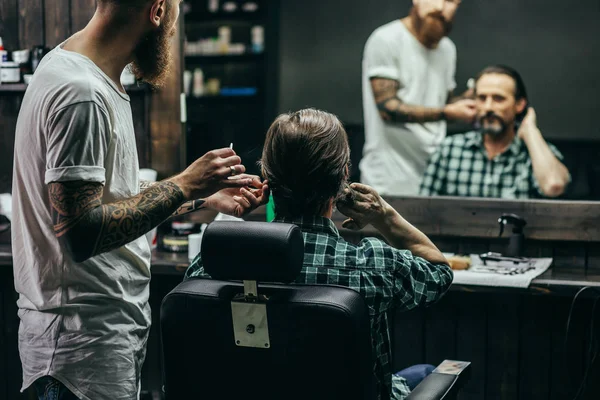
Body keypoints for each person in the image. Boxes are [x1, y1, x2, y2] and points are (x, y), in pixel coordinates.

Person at [11, 0, 268, 399]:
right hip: (77, 356)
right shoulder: (82, 94)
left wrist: (203, 197)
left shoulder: (81, 73)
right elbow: (80, 232)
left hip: (93, 344)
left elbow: (112, 202)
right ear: (158, 10)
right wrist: (184, 183)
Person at [186, 108, 454, 400]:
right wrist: (384, 217)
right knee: (428, 372)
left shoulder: (217, 263)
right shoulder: (372, 264)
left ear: (265, 176)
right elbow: (439, 271)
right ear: (344, 175)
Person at [360, 0, 477, 196]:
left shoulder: (447, 49)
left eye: (450, 1)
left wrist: (475, 96)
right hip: (390, 176)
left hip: (433, 175)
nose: (440, 7)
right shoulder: (387, 39)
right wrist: (447, 113)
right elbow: (387, 109)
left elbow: (443, 105)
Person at [420, 65, 570, 198]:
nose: (488, 107)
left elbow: (554, 186)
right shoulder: (449, 150)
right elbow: (421, 212)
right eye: (482, 98)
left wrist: (530, 130)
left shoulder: (536, 153)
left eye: (498, 99)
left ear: (519, 104)